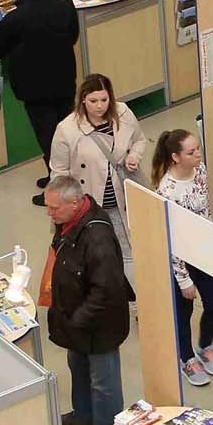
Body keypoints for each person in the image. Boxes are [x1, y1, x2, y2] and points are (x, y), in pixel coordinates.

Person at [0, 0, 82, 207]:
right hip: (64, 79)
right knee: (67, 131)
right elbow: (73, 36)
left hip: (35, 89)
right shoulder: (65, 5)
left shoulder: (15, 18)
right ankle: (63, 177)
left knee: (48, 137)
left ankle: (59, 190)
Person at [44, 174, 134, 425]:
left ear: (74, 203)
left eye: (54, 208)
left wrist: (76, 319)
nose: (49, 213)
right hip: (77, 321)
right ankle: (83, 412)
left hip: (99, 325)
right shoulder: (69, 223)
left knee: (103, 381)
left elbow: (105, 290)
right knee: (77, 366)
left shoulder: (97, 238)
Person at [48, 72, 146, 276]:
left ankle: (131, 298)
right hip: (89, 205)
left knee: (128, 251)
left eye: (104, 99)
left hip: (121, 200)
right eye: (93, 101)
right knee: (93, 255)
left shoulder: (123, 113)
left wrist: (134, 156)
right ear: (83, 99)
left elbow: (139, 139)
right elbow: (59, 174)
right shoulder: (66, 130)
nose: (100, 106)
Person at [155, 129, 213, 387]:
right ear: (175, 157)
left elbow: (205, 207)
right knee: (182, 312)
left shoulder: (201, 171)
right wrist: (183, 279)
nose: (198, 155)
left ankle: (205, 344)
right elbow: (172, 239)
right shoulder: (167, 191)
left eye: (198, 149)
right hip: (180, 257)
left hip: (202, 248)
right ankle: (186, 358)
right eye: (191, 152)